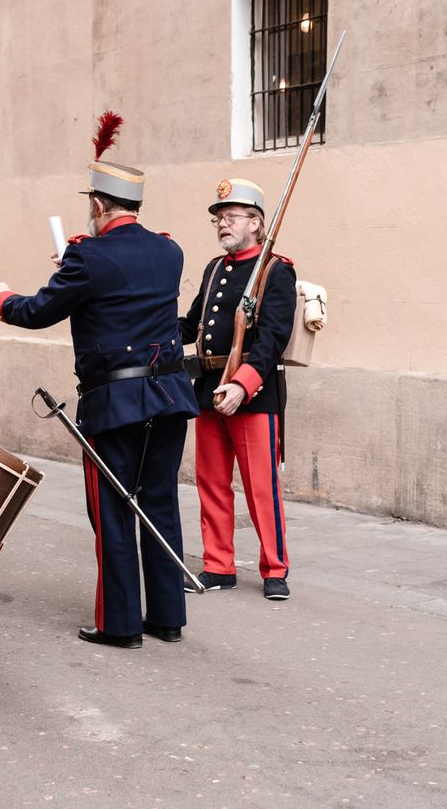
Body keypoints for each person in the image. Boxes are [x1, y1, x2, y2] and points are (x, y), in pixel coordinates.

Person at [0, 125, 198, 649]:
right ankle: (167, 617)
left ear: (100, 204)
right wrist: (77, 275)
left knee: (113, 508)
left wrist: (1, 297)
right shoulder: (169, 251)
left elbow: (36, 312)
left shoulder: (86, 256)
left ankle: (120, 624)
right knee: (160, 502)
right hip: (169, 394)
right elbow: (123, 292)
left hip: (116, 401)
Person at [180, 179, 296, 600]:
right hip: (209, 387)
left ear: (257, 223)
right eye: (218, 218)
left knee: (260, 486)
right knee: (210, 481)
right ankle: (218, 565)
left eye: (231, 217)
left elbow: (272, 339)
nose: (222, 224)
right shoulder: (214, 269)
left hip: (253, 395)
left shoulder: (275, 270)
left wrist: (242, 386)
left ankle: (274, 568)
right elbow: (190, 325)